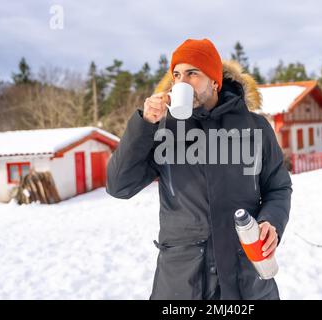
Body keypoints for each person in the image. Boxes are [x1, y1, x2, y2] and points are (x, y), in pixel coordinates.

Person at [106, 38, 292, 300]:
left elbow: (278, 187)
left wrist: (271, 221)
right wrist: (144, 125)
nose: (182, 81)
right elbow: (118, 186)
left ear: (215, 81)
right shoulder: (162, 130)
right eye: (177, 75)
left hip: (246, 281)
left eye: (193, 73)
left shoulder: (255, 128)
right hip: (181, 284)